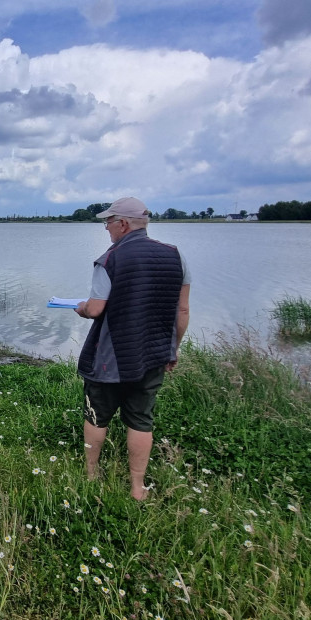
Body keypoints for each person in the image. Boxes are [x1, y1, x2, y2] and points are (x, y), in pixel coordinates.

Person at [74, 197, 190, 500]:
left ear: (123, 224)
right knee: (141, 419)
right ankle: (137, 487)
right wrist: (173, 349)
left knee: (96, 415)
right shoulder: (175, 256)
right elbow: (182, 311)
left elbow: (96, 309)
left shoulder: (110, 259)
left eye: (108, 222)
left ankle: (91, 476)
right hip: (153, 354)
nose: (106, 228)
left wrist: (81, 308)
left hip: (110, 357)